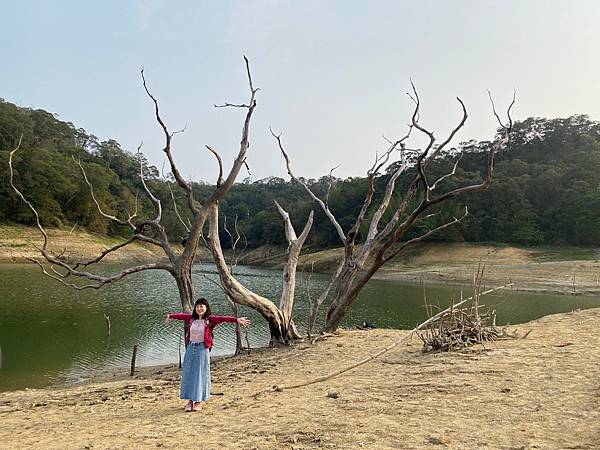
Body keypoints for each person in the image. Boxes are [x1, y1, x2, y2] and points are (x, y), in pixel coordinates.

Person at [165, 297, 250, 412]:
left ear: (206, 308)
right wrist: (171, 316)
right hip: (190, 348)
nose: (199, 308)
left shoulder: (210, 320)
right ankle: (189, 401)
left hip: (202, 349)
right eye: (198, 306)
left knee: (200, 374)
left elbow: (223, 318)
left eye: (202, 306)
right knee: (188, 373)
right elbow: (181, 316)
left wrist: (237, 320)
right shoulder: (192, 318)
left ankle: (199, 401)